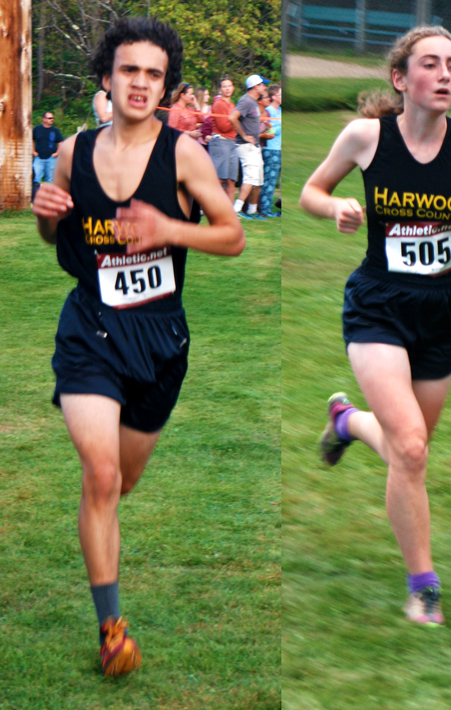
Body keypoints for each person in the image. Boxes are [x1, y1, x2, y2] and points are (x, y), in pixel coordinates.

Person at [31, 17, 245, 676]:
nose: (142, 83)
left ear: (166, 85)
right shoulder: (73, 151)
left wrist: (169, 229)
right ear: (107, 77)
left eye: (154, 74)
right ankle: (111, 626)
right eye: (130, 70)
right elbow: (58, 240)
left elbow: (232, 235)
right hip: (90, 331)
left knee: (121, 482)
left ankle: (103, 535)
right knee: (99, 475)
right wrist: (47, 218)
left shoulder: (183, 155)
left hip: (159, 340)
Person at [299, 26, 451, 627]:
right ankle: (424, 586)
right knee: (413, 449)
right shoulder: (367, 138)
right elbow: (311, 191)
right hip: (378, 306)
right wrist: (335, 206)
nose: (446, 75)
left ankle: (344, 421)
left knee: (405, 448)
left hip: (444, 309)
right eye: (431, 64)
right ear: (401, 78)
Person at [229, 74, 269, 220]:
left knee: (258, 180)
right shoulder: (246, 101)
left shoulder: (253, 102)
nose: (265, 87)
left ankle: (252, 211)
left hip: (254, 146)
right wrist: (245, 135)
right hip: (246, 145)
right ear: (256, 86)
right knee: (250, 178)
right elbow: (232, 117)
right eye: (263, 84)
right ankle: (236, 210)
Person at [209, 76, 238, 203]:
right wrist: (236, 120)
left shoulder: (232, 105)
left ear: (233, 88)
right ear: (220, 89)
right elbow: (224, 126)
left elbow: (232, 125)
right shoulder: (219, 104)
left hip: (231, 143)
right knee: (218, 179)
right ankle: (206, 206)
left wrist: (235, 120)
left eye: (229, 86)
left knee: (231, 180)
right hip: (221, 142)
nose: (227, 89)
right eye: (224, 86)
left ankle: (230, 212)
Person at [259, 84, 281, 218]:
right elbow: (264, 131)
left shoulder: (279, 111)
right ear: (274, 97)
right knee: (268, 181)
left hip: (278, 149)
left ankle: (267, 209)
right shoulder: (268, 111)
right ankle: (264, 210)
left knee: (273, 182)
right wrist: (276, 129)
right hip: (270, 150)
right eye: (281, 94)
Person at [32, 112, 64, 202]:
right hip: (39, 158)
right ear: (44, 119)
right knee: (36, 178)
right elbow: (31, 139)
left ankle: (49, 201)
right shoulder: (37, 129)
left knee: (50, 179)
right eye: (50, 118)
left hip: (51, 158)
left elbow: (60, 142)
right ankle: (35, 200)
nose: (52, 120)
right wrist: (33, 151)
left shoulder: (55, 130)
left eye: (52, 118)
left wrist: (57, 153)